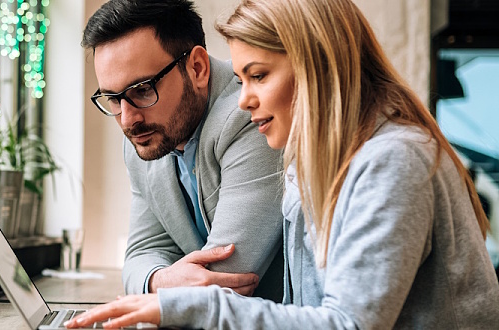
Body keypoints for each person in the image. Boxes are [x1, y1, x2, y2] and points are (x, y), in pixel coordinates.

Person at [67, 0, 499, 328]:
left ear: (317, 69)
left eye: (258, 76)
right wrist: (167, 292)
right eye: (241, 79)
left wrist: (183, 303)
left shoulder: (393, 160)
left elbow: (346, 323)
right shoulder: (312, 163)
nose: (243, 99)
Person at [81, 0, 285, 302]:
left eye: (143, 90)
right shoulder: (147, 136)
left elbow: (224, 277)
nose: (128, 120)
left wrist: (160, 283)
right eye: (113, 98)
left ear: (197, 68)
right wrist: (159, 280)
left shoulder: (254, 114)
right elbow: (141, 255)